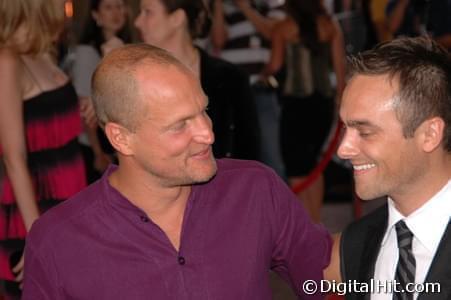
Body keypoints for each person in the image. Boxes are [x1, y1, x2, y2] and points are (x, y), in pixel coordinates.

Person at [22, 44, 332, 299]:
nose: (207, 133)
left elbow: (324, 272)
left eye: (203, 111)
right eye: (180, 125)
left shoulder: (253, 188)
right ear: (121, 138)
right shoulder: (57, 241)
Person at [338, 37, 451, 299]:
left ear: (430, 134)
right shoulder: (356, 242)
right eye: (345, 128)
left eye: (364, 132)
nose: (343, 149)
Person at [0, 0, 86, 298]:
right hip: (37, 209)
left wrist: (81, 108)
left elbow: (44, 124)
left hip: (68, 200)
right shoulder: (7, 59)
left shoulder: (41, 49)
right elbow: (13, 157)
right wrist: (39, 239)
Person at [134, 0, 260, 161]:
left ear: (177, 18)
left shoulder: (231, 77)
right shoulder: (136, 78)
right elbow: (114, 146)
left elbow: (249, 151)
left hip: (224, 183)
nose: (137, 22)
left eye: (148, 12)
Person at [261, 0, 346, 222]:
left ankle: (306, 225)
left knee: (296, 167)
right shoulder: (330, 25)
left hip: (295, 105)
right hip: (323, 104)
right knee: (313, 165)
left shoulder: (284, 28)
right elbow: (340, 69)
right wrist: (340, 103)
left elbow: (275, 65)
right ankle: (315, 221)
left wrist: (262, 75)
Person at [210, 0, 286, 178]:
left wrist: (245, 7)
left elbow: (273, 32)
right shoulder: (220, 5)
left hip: (261, 90)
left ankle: (276, 203)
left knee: (272, 157)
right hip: (229, 92)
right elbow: (218, 40)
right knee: (234, 155)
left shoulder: (271, 3)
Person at [72, 0, 132, 183]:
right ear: (96, 15)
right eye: (108, 7)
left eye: (119, 6)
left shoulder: (129, 47)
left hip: (119, 141)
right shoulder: (86, 52)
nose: (116, 13)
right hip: (96, 145)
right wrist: (98, 153)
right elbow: (84, 107)